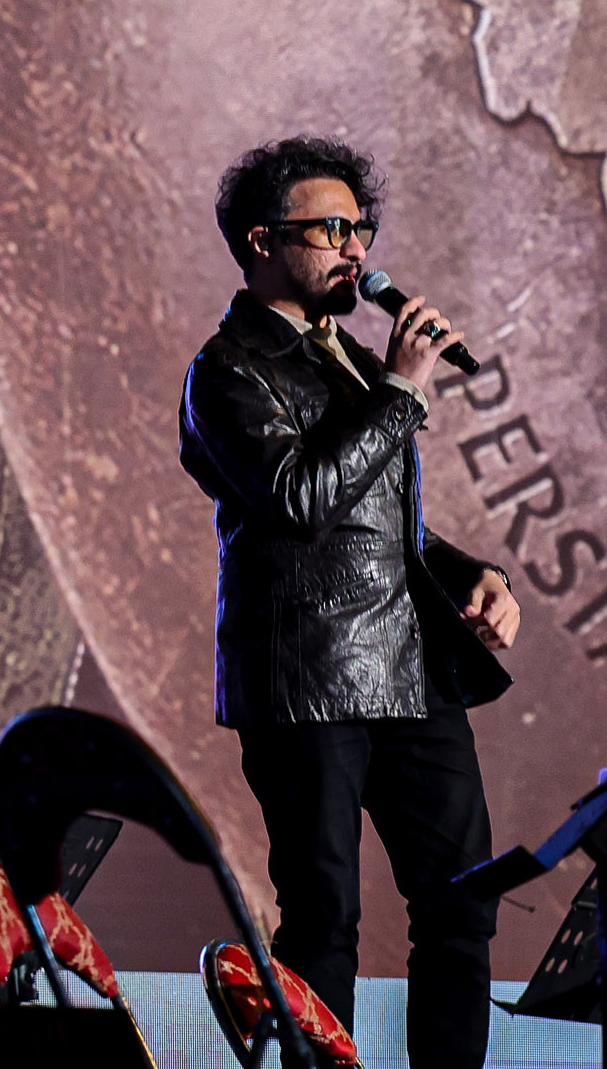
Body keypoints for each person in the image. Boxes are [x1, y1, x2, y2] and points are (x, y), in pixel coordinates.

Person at [179, 136, 521, 1069]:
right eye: (331, 229)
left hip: (411, 669)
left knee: (462, 900)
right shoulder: (227, 369)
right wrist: (402, 389)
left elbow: (385, 524)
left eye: (361, 228)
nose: (356, 249)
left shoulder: (352, 361)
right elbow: (298, 497)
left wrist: (476, 573)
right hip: (309, 677)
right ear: (262, 240)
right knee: (325, 912)